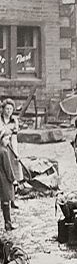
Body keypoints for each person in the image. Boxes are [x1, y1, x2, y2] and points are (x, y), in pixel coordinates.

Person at [0, 98, 20, 230]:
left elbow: (14, 138)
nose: (9, 111)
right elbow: (7, 168)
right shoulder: (3, 152)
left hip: (11, 149)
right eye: (6, 108)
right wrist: (13, 179)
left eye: (11, 109)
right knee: (5, 199)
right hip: (4, 179)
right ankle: (8, 223)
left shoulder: (14, 122)